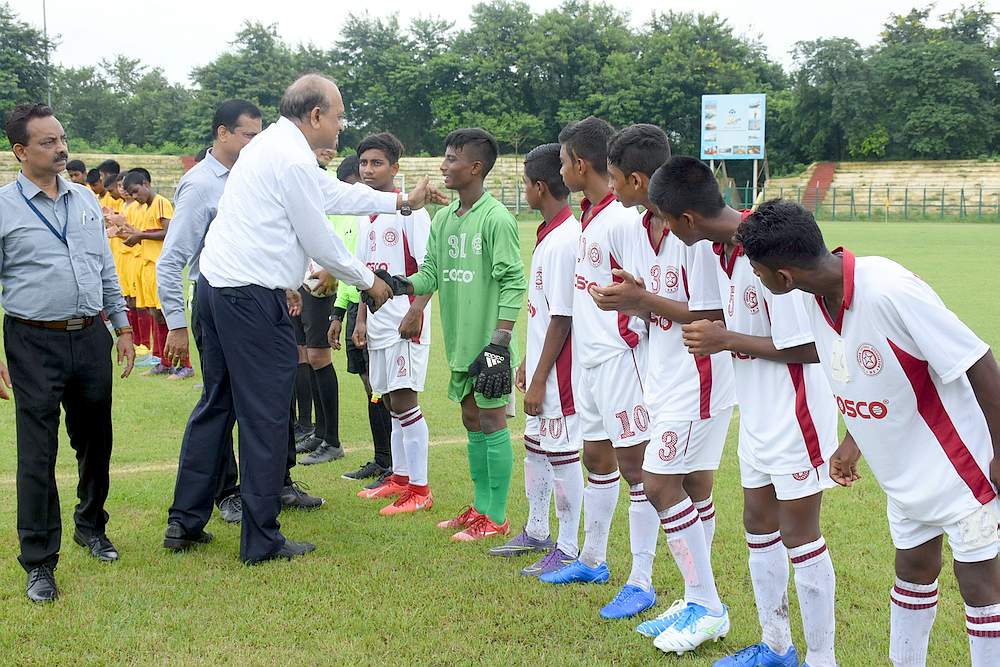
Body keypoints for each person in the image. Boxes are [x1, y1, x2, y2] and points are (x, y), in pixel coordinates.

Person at [164, 73, 444, 564]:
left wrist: (399, 202)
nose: (340, 130)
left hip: (217, 290)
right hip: (249, 298)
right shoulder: (291, 157)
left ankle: (184, 522)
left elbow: (332, 196)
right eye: (337, 118)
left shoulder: (272, 145)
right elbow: (319, 238)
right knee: (268, 415)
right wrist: (369, 282)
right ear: (315, 115)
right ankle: (261, 537)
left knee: (217, 404)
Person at [737, 199, 1000, 667]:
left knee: (980, 586)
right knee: (913, 571)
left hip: (959, 466)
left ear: (783, 275)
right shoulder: (817, 298)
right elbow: (864, 371)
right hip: (902, 471)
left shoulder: (887, 289)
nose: (757, 280)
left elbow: (977, 360)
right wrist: (853, 441)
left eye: (757, 272)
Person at [651, 158, 840, 665]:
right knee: (757, 523)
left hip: (795, 413)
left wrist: (725, 339)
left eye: (667, 221)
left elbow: (808, 345)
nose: (666, 230)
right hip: (757, 413)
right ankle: (776, 645)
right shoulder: (723, 250)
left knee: (802, 535)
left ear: (687, 219)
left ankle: (822, 658)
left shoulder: (768, 249)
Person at [588, 126, 737, 651]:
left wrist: (641, 301)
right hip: (662, 375)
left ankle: (706, 602)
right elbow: (638, 291)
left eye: (613, 178)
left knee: (657, 484)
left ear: (637, 180)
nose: (610, 188)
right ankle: (697, 596)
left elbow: (712, 315)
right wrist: (633, 299)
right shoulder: (631, 227)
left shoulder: (692, 233)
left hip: (697, 379)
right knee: (691, 488)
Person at [0, 104, 135, 602]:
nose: (61, 148)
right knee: (37, 451)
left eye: (62, 138)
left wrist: (121, 328)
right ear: (21, 151)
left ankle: (90, 525)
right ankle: (39, 561)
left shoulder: (83, 201)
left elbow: (104, 268)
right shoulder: (5, 206)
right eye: (48, 142)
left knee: (96, 440)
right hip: (33, 339)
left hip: (90, 335)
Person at [537, 117, 657, 621]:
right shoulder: (589, 217)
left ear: (578, 165)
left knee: (637, 469)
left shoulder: (624, 221)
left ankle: (642, 580)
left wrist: (631, 334)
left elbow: (648, 292)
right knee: (597, 458)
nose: (561, 169)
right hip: (589, 360)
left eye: (563, 161)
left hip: (619, 360)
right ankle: (592, 559)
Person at [392, 128, 526, 541]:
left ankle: (497, 515)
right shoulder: (445, 218)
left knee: (490, 419)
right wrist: (398, 285)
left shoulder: (497, 218)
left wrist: (499, 341)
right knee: (471, 418)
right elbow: (431, 272)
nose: (443, 166)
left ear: (475, 167)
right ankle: (481, 506)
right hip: (460, 342)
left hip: (491, 344)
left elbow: (513, 281)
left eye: (452, 158)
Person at [158, 99, 264, 525]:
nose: (254, 143)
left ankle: (273, 484)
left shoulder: (252, 177)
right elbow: (172, 260)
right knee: (220, 401)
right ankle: (226, 493)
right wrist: (177, 324)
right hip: (214, 303)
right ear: (222, 133)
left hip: (254, 303)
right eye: (247, 135)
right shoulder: (200, 185)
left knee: (254, 401)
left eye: (259, 135)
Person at [488, 143, 583, 575]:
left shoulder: (566, 241)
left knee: (562, 452)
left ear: (539, 187)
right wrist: (529, 361)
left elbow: (563, 320)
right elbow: (544, 314)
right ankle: (538, 528)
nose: (523, 190)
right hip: (544, 364)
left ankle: (567, 546)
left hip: (562, 372)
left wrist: (543, 376)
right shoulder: (548, 233)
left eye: (525, 184)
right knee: (536, 448)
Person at [350, 132, 434, 513]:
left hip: (405, 320)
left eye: (376, 163)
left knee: (405, 399)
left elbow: (431, 267)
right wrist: (361, 320)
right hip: (378, 322)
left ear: (394, 168)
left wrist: (416, 311)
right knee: (390, 402)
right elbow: (366, 274)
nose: (368, 170)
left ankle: (420, 489)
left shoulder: (412, 212)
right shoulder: (366, 215)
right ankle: (399, 478)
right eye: (364, 163)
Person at [328, 156, 395, 482]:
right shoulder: (355, 217)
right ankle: (382, 459)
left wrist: (361, 318)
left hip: (374, 310)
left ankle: (392, 463)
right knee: (370, 385)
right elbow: (350, 270)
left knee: (383, 387)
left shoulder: (385, 216)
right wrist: (339, 313)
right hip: (357, 309)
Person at [296, 147, 347, 465]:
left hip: (321, 283)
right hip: (300, 281)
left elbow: (337, 236)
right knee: (303, 354)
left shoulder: (324, 189)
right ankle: (316, 431)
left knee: (317, 355)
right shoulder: (302, 188)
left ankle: (332, 440)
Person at [121, 169, 193, 378]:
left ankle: (185, 365)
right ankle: (165, 361)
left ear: (146, 184)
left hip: (159, 265)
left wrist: (141, 235)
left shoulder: (161, 202)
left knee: (168, 315)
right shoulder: (143, 207)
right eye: (131, 194)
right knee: (156, 314)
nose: (135, 197)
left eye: (136, 191)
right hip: (146, 265)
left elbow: (169, 231)